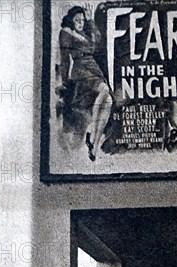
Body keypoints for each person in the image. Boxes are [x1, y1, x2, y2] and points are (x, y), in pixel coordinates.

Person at [58, 5, 112, 160]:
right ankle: (91, 130)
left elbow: (98, 41)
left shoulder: (86, 33)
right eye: (77, 20)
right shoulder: (66, 33)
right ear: (71, 20)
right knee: (105, 91)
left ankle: (93, 147)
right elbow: (64, 59)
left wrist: (90, 21)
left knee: (107, 102)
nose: (80, 23)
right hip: (81, 70)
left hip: (93, 68)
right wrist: (65, 82)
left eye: (82, 20)